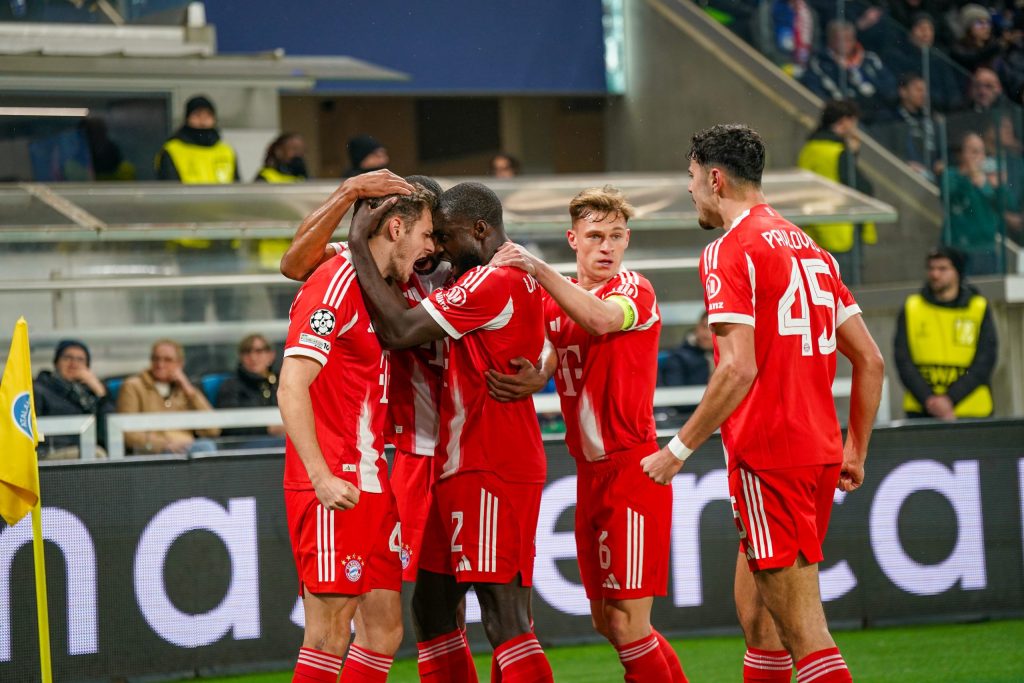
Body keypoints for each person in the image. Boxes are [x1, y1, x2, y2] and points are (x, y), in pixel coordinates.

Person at [641, 124, 885, 683]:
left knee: (805, 634)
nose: (690, 189)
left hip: (769, 456)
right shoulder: (813, 249)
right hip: (817, 452)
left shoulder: (728, 250)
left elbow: (737, 367)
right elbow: (870, 360)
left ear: (715, 178)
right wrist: (855, 449)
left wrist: (677, 450)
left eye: (691, 177)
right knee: (759, 621)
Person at [346, 182, 555, 681]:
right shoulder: (425, 271)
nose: (435, 245)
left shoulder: (481, 277)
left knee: (503, 612)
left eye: (439, 234)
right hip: (439, 458)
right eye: (429, 233)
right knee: (433, 607)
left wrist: (543, 369)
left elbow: (401, 330)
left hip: (486, 456)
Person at [488, 185, 689, 682]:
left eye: (617, 235)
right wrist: (531, 374)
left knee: (628, 624)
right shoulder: (558, 304)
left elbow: (600, 321)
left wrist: (536, 267)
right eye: (596, 236)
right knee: (607, 621)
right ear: (573, 239)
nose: (607, 246)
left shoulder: (634, 289)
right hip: (589, 474)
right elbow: (548, 359)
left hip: (632, 468)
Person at [277, 183, 437, 683]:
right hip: (334, 483)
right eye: (426, 234)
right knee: (328, 634)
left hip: (372, 480)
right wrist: (320, 477)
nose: (430, 247)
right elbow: (290, 386)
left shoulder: (379, 286)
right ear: (396, 228)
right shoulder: (335, 281)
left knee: (384, 629)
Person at [894, 246, 997, 419]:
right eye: (931, 268)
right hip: (921, 411)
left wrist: (950, 399)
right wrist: (929, 400)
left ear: (957, 272)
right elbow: (903, 360)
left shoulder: (978, 307)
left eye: (942, 269)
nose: (935, 274)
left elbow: (985, 360)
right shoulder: (912, 307)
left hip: (971, 410)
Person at [798, 99, 878, 280]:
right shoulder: (838, 152)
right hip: (842, 230)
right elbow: (858, 186)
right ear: (844, 122)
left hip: (815, 228)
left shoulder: (809, 149)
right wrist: (853, 154)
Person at [116, 339, 220, 455]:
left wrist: (190, 392)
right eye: (156, 359)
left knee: (206, 446)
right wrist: (163, 444)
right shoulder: (133, 386)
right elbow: (127, 433)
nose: (160, 365)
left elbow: (213, 430)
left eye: (168, 360)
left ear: (180, 364)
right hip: (153, 451)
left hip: (187, 448)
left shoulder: (186, 389)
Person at [800, 20, 897, 122]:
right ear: (831, 40)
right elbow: (817, 91)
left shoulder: (870, 59)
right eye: (842, 39)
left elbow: (890, 87)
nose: (847, 44)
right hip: (845, 117)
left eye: (850, 39)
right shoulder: (819, 63)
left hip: (878, 112)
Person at [33, 339, 115, 459]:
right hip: (50, 452)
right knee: (96, 454)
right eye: (67, 358)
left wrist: (100, 392)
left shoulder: (91, 393)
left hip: (85, 449)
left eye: (80, 360)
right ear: (56, 363)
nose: (74, 364)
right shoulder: (39, 389)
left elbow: (111, 429)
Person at [940, 132, 1006, 274]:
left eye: (982, 152)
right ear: (962, 153)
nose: (978, 156)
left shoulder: (989, 178)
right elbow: (949, 196)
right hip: (959, 247)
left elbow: (1004, 205)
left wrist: (992, 186)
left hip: (986, 246)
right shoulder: (951, 175)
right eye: (973, 151)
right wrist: (968, 176)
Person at [215, 333, 285, 441]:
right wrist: (267, 429)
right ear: (240, 357)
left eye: (259, 351)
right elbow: (228, 427)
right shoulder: (231, 386)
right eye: (247, 352)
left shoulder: (281, 382)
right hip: (244, 444)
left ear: (271, 355)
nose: (253, 357)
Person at [872, 73, 941, 181]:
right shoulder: (890, 118)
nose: (923, 94)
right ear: (903, 92)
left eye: (925, 90)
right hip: (903, 175)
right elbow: (883, 148)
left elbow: (942, 148)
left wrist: (941, 162)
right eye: (918, 90)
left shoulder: (931, 118)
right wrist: (904, 163)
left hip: (932, 176)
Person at [155, 95, 238, 183]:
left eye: (208, 116)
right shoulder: (172, 150)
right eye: (197, 115)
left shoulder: (226, 150)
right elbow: (169, 186)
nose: (203, 121)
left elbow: (237, 185)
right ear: (187, 119)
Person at [659, 311, 714, 387]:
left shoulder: (726, 358)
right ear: (697, 327)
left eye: (713, 330)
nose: (707, 335)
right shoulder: (677, 359)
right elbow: (674, 392)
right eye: (704, 327)